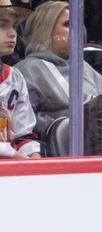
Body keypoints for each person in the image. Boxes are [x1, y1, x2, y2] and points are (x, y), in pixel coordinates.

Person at [15, 1, 102, 138]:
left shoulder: (92, 73)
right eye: (68, 24)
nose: (78, 30)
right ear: (45, 29)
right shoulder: (26, 71)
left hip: (93, 151)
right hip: (45, 155)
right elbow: (20, 127)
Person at [0, 0, 40, 158]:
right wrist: (14, 156)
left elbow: (23, 134)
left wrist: (34, 157)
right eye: (2, 25)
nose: (12, 33)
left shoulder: (15, 77)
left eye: (14, 26)